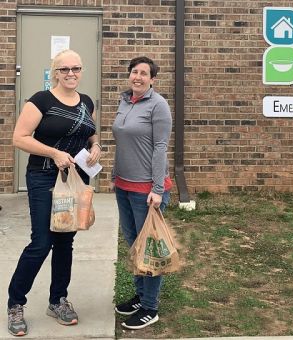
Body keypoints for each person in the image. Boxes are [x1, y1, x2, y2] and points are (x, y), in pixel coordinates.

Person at [7, 49, 101, 337]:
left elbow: (90, 132)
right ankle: (15, 303)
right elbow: (19, 138)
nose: (71, 73)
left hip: (76, 177)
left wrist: (96, 145)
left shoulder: (86, 101)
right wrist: (54, 152)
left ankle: (57, 300)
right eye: (64, 69)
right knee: (41, 242)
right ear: (55, 72)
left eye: (76, 68)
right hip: (44, 176)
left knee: (65, 241)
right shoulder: (41, 100)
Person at [112, 56, 173, 330]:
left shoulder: (158, 105)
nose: (137, 76)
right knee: (134, 245)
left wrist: (157, 189)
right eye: (134, 72)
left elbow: (160, 148)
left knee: (150, 249)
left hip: (146, 191)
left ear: (152, 79)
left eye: (143, 73)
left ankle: (150, 307)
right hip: (123, 186)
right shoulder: (125, 101)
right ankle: (140, 295)